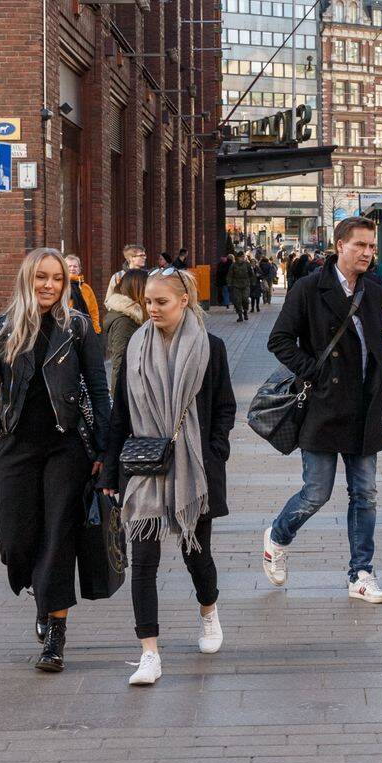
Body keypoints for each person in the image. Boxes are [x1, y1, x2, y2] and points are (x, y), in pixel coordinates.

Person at [0, 247, 110, 672]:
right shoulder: (0, 328)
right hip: (16, 445)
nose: (49, 285)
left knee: (58, 535)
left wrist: (103, 449)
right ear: (27, 279)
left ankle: (54, 632)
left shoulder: (77, 327)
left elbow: (99, 390)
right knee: (15, 537)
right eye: (42, 277)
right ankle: (41, 592)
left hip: (66, 446)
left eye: (57, 279)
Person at [100, 268, 235, 687]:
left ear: (184, 302)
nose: (152, 309)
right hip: (143, 468)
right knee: (143, 564)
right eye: (148, 302)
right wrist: (110, 470)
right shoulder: (135, 351)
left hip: (193, 467)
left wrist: (213, 452)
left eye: (161, 302)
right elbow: (119, 414)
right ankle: (149, 653)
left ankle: (208, 612)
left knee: (198, 556)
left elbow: (225, 408)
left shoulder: (210, 348)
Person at [263, 216, 382, 604]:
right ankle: (277, 536)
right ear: (340, 245)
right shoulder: (308, 288)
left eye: (372, 246)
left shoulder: (373, 288)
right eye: (361, 246)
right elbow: (279, 340)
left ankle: (361, 574)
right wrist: (314, 375)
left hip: (365, 406)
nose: (368, 253)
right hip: (324, 405)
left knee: (365, 493)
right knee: (316, 493)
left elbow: (377, 341)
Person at [103, 267, 149, 387]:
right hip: (131, 393)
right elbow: (120, 364)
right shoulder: (125, 321)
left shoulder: (133, 316)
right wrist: (119, 402)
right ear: (139, 289)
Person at [63, 255, 103, 334]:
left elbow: (93, 311)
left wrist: (96, 330)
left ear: (79, 269)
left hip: (84, 328)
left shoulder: (86, 288)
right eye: (69, 266)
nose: (72, 269)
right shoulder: (60, 286)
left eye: (75, 266)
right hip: (64, 329)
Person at [226, 253, 252, 323]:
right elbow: (230, 275)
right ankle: (240, 315)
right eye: (241, 257)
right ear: (238, 258)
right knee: (237, 301)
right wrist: (229, 284)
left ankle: (245, 311)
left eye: (243, 257)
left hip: (245, 284)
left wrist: (252, 283)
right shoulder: (233, 265)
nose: (243, 258)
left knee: (245, 299)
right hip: (236, 285)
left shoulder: (247, 264)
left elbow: (251, 274)